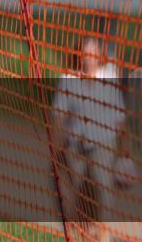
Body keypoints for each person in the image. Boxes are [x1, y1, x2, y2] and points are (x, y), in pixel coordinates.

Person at [51, 38, 127, 242]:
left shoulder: (109, 77)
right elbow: (59, 115)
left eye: (93, 54)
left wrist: (124, 151)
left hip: (103, 142)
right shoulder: (69, 78)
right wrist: (55, 149)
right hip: (76, 144)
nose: (89, 59)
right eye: (86, 54)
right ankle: (84, 233)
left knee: (103, 188)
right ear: (79, 56)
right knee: (79, 192)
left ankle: (103, 234)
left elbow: (120, 116)